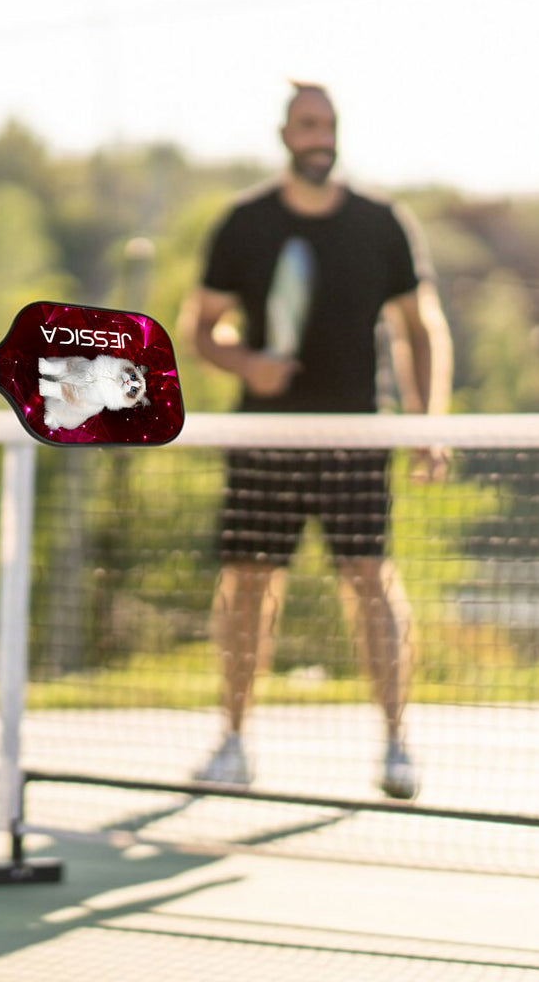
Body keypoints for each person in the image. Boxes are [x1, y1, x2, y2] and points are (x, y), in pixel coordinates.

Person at [181, 82, 451, 800]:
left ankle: (397, 746)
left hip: (355, 436)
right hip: (264, 437)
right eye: (307, 125)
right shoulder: (243, 223)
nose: (319, 137)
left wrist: (430, 424)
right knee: (246, 585)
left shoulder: (381, 223)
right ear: (285, 134)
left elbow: (420, 326)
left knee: (371, 582)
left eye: (328, 125)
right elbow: (200, 327)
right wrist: (247, 364)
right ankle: (232, 743)